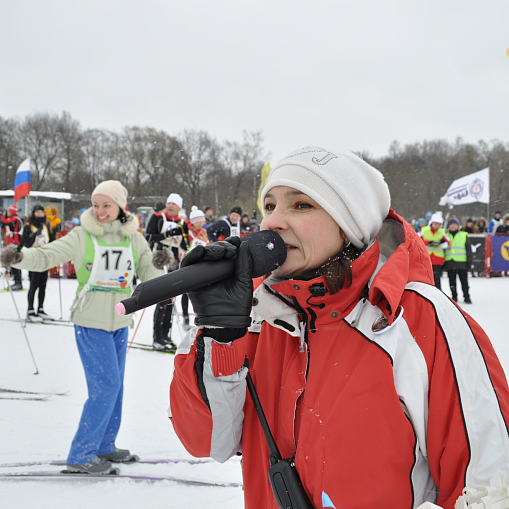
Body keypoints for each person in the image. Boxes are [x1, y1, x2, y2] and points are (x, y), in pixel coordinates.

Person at [169, 146, 509, 509]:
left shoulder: (420, 318)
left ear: (349, 226)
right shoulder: (253, 316)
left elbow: (488, 486)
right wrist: (219, 334)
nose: (272, 223)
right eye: (269, 206)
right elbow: (207, 440)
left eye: (301, 205)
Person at [1, 180, 163, 474]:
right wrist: (21, 257)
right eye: (96, 205)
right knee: (106, 386)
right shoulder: (81, 235)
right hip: (90, 322)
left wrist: (163, 264)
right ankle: (82, 454)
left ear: (120, 206)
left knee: (116, 386)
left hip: (120, 321)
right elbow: (48, 255)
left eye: (107, 205)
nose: (100, 211)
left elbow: (149, 272)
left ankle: (104, 445)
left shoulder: (133, 238)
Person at [145, 193, 190, 350]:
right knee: (162, 300)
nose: (170, 205)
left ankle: (166, 336)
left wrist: (184, 234)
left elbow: (186, 245)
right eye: (168, 202)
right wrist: (167, 234)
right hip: (159, 262)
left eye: (174, 204)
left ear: (179, 207)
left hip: (174, 264)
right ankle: (157, 337)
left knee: (171, 300)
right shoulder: (157, 218)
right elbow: (148, 237)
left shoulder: (181, 221)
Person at [21, 203, 54, 322]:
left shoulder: (45, 225)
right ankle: (30, 310)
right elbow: (26, 242)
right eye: (37, 212)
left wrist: (53, 234)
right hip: (34, 258)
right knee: (34, 284)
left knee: (43, 285)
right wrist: (35, 234)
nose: (40, 214)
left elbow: (49, 241)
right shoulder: (28, 225)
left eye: (41, 212)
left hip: (44, 257)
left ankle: (40, 308)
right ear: (33, 214)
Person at [419, 212, 450, 289]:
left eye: (438, 224)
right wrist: (428, 243)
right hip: (426, 259)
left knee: (437, 279)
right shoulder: (424, 230)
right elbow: (417, 241)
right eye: (435, 224)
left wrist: (441, 243)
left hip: (438, 260)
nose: (436, 226)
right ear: (431, 223)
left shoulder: (442, 232)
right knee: (425, 279)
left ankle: (437, 294)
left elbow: (448, 243)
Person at [444, 217, 471, 304]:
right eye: (451, 224)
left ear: (458, 226)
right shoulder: (445, 236)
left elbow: (468, 249)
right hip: (450, 262)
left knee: (464, 282)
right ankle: (454, 297)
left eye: (455, 224)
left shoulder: (463, 235)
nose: (453, 226)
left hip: (461, 263)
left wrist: (469, 261)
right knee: (452, 282)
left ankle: (467, 297)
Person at [0, 204, 23, 290]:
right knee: (11, 263)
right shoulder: (11, 219)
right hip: (10, 242)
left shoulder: (15, 219)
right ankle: (16, 280)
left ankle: (18, 282)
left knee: (15, 262)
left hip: (15, 243)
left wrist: (2, 215)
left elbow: (5, 222)